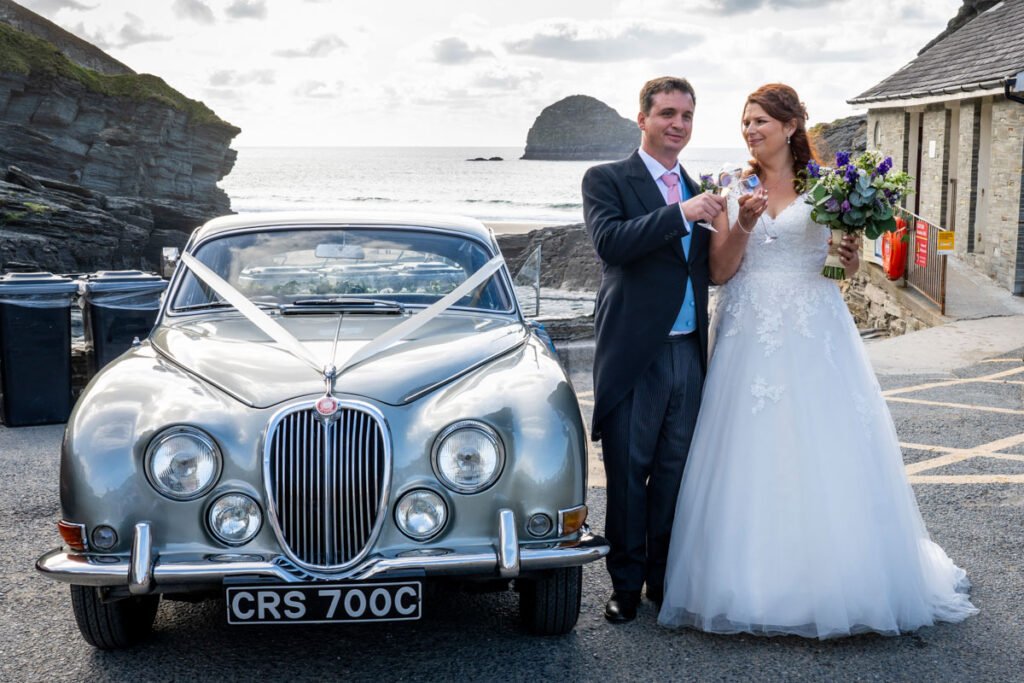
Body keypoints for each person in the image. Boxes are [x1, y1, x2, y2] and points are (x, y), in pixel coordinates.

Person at [657, 83, 979, 638]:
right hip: (748, 330)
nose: (751, 129)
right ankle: (747, 582)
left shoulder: (829, 189)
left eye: (760, 120)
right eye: (746, 121)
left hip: (814, 329)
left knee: (825, 444)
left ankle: (838, 580)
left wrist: (850, 259)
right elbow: (718, 272)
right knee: (748, 449)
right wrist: (748, 224)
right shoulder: (734, 186)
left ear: (789, 125)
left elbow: (842, 269)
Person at [582, 77, 727, 623]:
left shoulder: (700, 185)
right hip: (634, 353)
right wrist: (682, 215)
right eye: (668, 113)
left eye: (687, 116)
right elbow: (611, 244)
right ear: (641, 118)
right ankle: (623, 585)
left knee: (674, 473)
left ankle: (661, 583)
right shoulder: (606, 179)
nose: (679, 125)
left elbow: (710, 271)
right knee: (626, 476)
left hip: (688, 352)